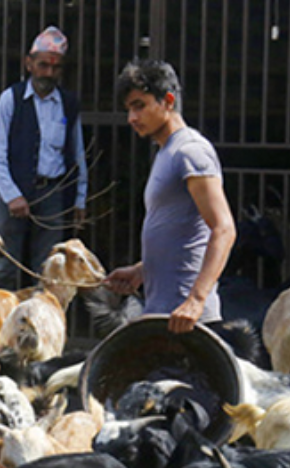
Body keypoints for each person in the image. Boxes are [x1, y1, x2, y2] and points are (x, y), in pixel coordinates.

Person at [103, 58, 236, 334]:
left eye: (139, 105)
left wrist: (196, 300)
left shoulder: (190, 151)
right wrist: (141, 271)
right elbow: (182, 233)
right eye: (128, 109)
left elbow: (224, 229)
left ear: (168, 101)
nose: (132, 118)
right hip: (163, 314)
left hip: (189, 321)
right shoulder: (167, 152)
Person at [0, 25, 89, 290]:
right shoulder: (11, 99)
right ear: (29, 64)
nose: (48, 73)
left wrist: (79, 198)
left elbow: (77, 154)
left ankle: (40, 323)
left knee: (48, 266)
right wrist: (12, 195)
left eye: (55, 68)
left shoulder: (68, 104)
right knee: (6, 264)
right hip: (14, 190)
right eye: (43, 66)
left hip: (52, 194)